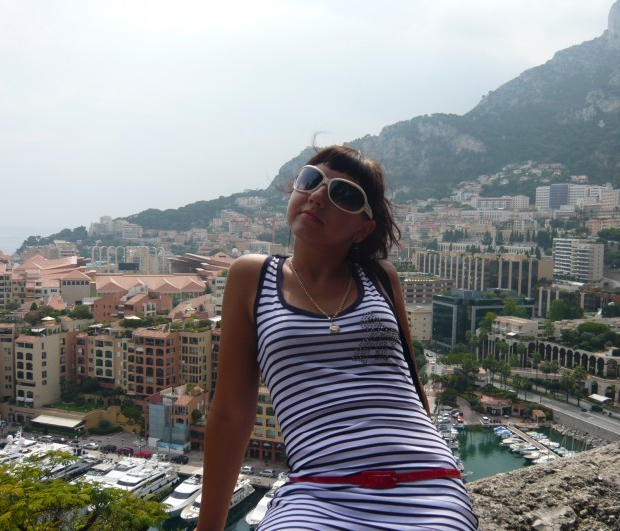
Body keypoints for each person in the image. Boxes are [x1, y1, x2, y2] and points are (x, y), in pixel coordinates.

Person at [196, 145, 477, 530]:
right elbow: (231, 412)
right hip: (317, 489)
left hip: (423, 481)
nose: (317, 196)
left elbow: (410, 384)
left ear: (364, 227)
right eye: (311, 180)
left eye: (343, 194)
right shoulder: (252, 276)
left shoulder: (381, 278)